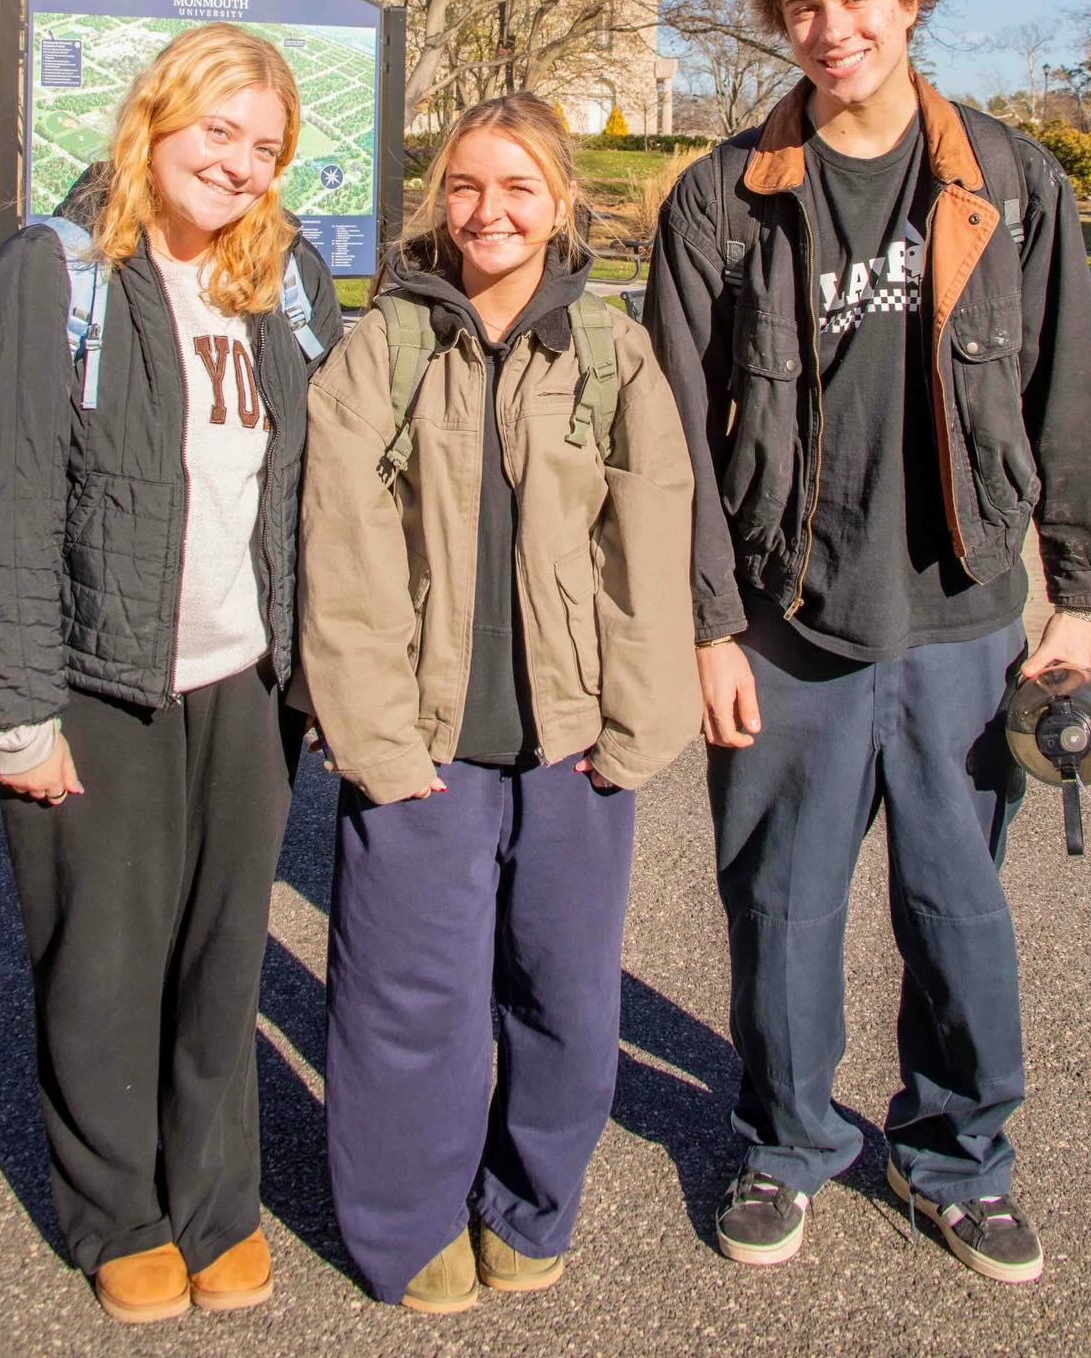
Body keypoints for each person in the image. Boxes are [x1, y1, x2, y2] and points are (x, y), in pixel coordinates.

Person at [645, 0, 1091, 1286]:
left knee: (957, 908)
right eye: (804, 8)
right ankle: (786, 1143)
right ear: (779, 24)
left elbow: (1066, 396)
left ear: (909, 0)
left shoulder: (1013, 183)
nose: (833, 29)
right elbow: (676, 431)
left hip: (966, 616)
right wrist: (708, 625)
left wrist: (1076, 600)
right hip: (787, 620)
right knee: (781, 908)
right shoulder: (719, 198)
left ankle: (960, 1159)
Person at [0, 24, 341, 1323]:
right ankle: (119, 1212)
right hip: (100, 684)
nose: (238, 163)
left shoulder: (285, 283)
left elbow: (312, 489)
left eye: (264, 146)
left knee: (221, 959)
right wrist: (14, 714)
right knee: (105, 963)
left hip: (243, 683)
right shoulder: (57, 277)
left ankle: (214, 1201)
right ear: (157, 119)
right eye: (218, 129)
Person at [297, 93, 702, 1314]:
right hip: (421, 741)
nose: (491, 212)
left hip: (570, 746)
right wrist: (370, 738)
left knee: (565, 992)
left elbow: (650, 536)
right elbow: (345, 550)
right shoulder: (387, 346)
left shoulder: (609, 350)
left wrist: (638, 727)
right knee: (404, 1000)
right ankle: (406, 1222)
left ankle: (530, 1203)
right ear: (439, 203)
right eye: (467, 188)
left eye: (519, 188)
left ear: (562, 202)